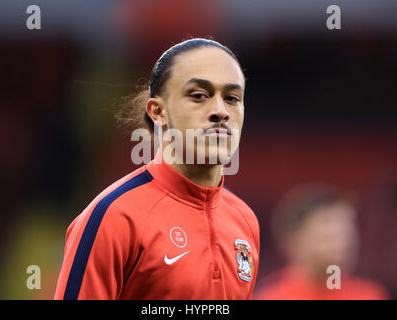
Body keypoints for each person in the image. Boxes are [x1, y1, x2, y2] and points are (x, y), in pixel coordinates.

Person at [54, 38, 260, 299]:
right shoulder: (113, 217)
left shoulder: (245, 221)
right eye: (199, 96)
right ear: (158, 112)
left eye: (232, 98)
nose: (220, 111)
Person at [254, 185, 389, 300]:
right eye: (327, 231)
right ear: (293, 241)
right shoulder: (270, 296)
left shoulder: (370, 294)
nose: (341, 242)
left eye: (346, 229)